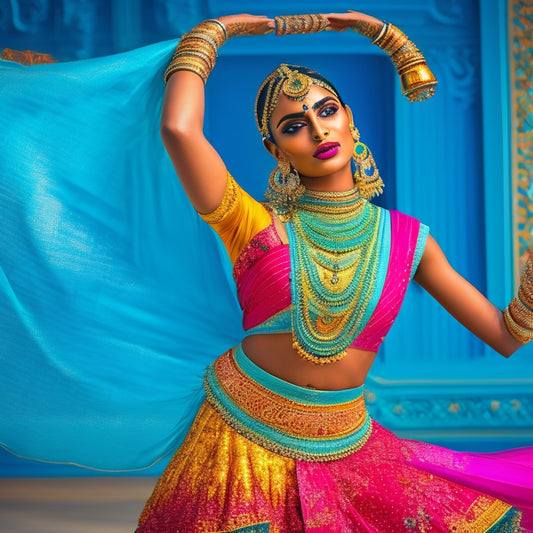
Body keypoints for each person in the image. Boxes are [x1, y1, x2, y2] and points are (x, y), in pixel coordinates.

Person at [134, 11, 533, 533]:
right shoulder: (253, 224)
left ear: (351, 120)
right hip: (241, 439)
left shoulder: (409, 241)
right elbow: (177, 129)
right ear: (275, 150)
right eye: (294, 126)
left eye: (326, 111)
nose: (318, 129)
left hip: (349, 444)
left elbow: (506, 336)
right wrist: (218, 31)